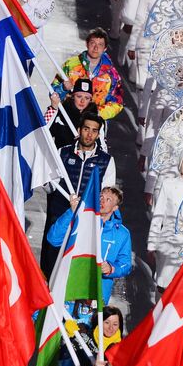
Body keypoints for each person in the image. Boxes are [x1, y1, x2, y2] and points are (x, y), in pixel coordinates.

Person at [42, 111, 116, 274]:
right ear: (79, 129)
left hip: (85, 220)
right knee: (52, 266)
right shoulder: (62, 152)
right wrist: (44, 179)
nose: (89, 134)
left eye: (94, 130)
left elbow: (107, 195)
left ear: (98, 134)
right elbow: (50, 187)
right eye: (86, 129)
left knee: (75, 269)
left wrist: (86, 204)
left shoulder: (106, 161)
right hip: (60, 215)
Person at [148, 151, 183, 290]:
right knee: (163, 284)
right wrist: (152, 245)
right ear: (180, 164)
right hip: (168, 242)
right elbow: (158, 216)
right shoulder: (168, 184)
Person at [56, 28, 125, 122]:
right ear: (87, 44)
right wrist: (62, 88)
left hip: (94, 125)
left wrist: (96, 113)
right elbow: (53, 90)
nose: (96, 48)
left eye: (100, 45)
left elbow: (117, 103)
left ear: (105, 48)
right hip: (68, 120)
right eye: (93, 43)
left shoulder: (111, 73)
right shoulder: (71, 64)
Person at [97, 186, 134, 303]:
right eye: (101, 197)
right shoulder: (82, 220)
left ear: (115, 207)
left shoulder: (122, 233)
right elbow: (54, 238)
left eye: (108, 200)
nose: (102, 201)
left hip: (99, 291)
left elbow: (126, 264)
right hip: (73, 283)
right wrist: (71, 212)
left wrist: (111, 268)